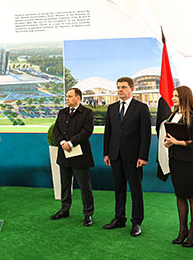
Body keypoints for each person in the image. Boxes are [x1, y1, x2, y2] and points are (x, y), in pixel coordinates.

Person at [103, 77, 151, 236]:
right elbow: (108, 133)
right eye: (118, 87)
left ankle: (137, 222)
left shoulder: (141, 108)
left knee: (136, 190)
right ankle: (119, 218)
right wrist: (107, 153)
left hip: (134, 157)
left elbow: (146, 134)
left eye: (123, 87)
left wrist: (143, 156)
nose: (120, 90)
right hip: (115, 155)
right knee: (119, 189)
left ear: (132, 88)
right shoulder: (111, 108)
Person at [164, 86, 193, 247]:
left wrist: (178, 142)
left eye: (176, 96)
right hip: (174, 160)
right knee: (180, 196)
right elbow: (171, 137)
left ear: (184, 97)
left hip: (190, 162)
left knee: (192, 196)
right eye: (173, 95)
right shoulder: (173, 115)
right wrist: (168, 143)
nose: (173, 98)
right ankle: (183, 231)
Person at [50, 88, 95, 226]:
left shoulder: (87, 113)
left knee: (84, 187)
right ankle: (65, 209)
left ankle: (88, 214)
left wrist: (70, 143)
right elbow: (56, 129)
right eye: (66, 96)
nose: (67, 98)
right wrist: (63, 142)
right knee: (65, 185)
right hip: (64, 155)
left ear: (78, 98)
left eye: (70, 96)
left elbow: (87, 131)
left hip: (80, 156)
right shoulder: (62, 112)